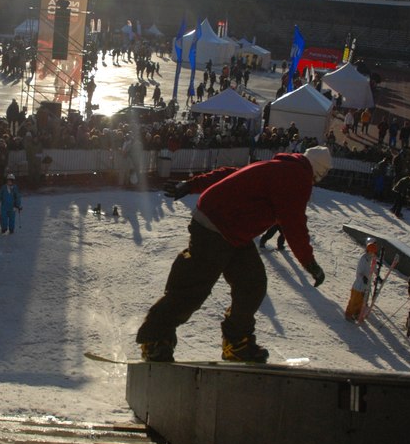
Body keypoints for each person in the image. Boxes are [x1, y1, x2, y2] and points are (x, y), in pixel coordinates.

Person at [135, 147, 331, 364]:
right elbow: (294, 222)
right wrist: (309, 262)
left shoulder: (279, 167)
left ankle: (237, 344)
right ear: (319, 172)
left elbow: (232, 173)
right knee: (193, 287)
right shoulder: (297, 177)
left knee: (252, 284)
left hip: (235, 231)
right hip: (216, 224)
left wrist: (191, 185)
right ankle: (155, 340)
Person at [345, 238, 378, 321]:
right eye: (372, 252)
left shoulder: (371, 259)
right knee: (354, 300)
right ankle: (349, 314)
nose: (373, 254)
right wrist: (363, 278)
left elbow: (374, 268)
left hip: (365, 286)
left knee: (362, 302)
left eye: (374, 252)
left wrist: (378, 275)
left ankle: (357, 314)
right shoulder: (363, 259)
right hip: (359, 285)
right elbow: (359, 271)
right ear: (369, 251)